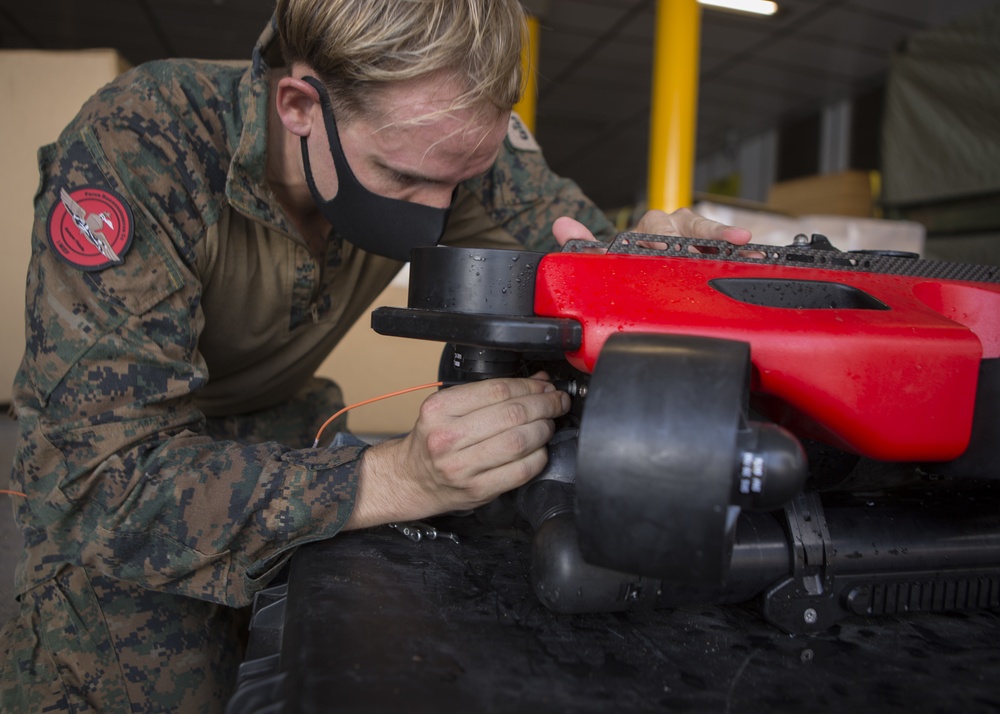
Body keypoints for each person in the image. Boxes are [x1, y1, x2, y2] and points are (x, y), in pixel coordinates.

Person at [0, 0, 751, 710]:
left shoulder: (446, 133)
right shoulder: (142, 143)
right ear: (300, 106)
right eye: (402, 177)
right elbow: (102, 482)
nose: (434, 209)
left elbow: (582, 268)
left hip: (290, 430)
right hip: (118, 485)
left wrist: (658, 272)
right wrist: (399, 477)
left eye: (455, 181)